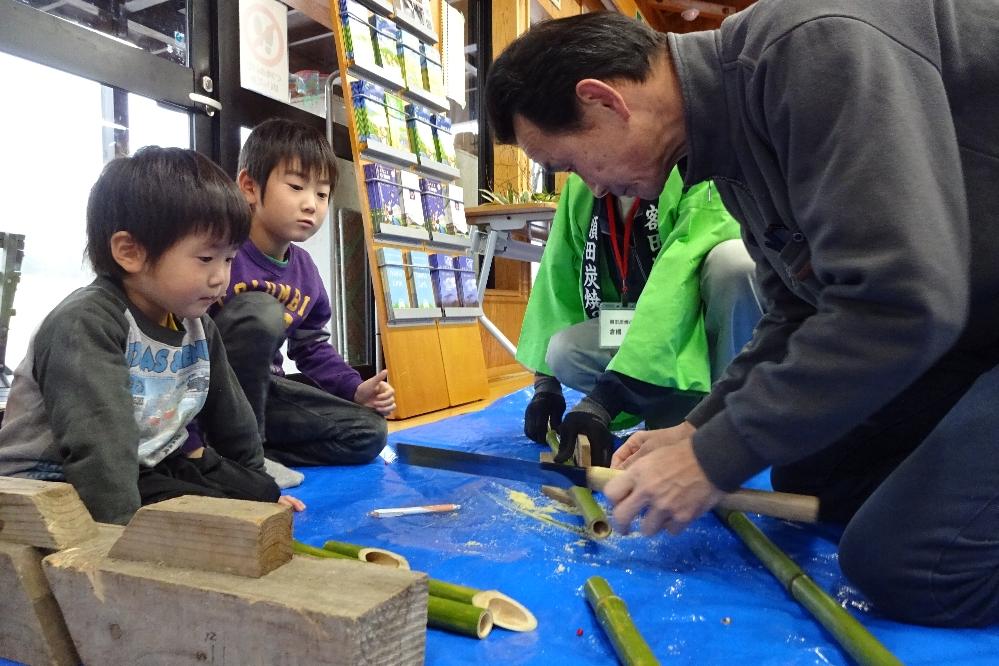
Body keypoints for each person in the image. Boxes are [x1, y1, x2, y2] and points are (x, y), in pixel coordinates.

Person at [485, 2, 999, 627]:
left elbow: (900, 303)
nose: (589, 189)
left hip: (955, 321)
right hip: (970, 322)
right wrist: (698, 428)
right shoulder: (730, 150)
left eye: (569, 165)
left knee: (914, 565)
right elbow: (795, 310)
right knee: (815, 477)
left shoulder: (815, 49)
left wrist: (713, 457)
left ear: (602, 102)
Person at [0, 147, 289, 525]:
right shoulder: (87, 322)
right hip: (57, 481)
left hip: (144, 463)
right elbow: (98, 449)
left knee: (260, 494)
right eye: (206, 259)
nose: (221, 276)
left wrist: (258, 489)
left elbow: (232, 418)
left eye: (229, 259)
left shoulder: (196, 324)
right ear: (130, 252)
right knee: (208, 523)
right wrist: (125, 546)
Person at [520, 169, 760, 466]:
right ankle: (669, 410)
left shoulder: (693, 168)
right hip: (635, 325)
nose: (592, 185)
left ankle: (722, 417)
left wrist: (606, 398)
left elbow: (676, 286)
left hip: (696, 321)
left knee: (735, 264)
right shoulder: (582, 186)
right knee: (564, 349)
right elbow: (558, 283)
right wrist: (546, 386)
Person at [210, 118, 393, 472]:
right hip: (211, 394)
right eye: (296, 186)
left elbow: (310, 347)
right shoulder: (220, 251)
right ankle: (240, 457)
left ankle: (258, 451)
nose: (312, 204)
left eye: (322, 194)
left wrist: (355, 389)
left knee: (369, 433)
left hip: (268, 396)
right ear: (249, 186)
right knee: (261, 310)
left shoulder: (304, 270)